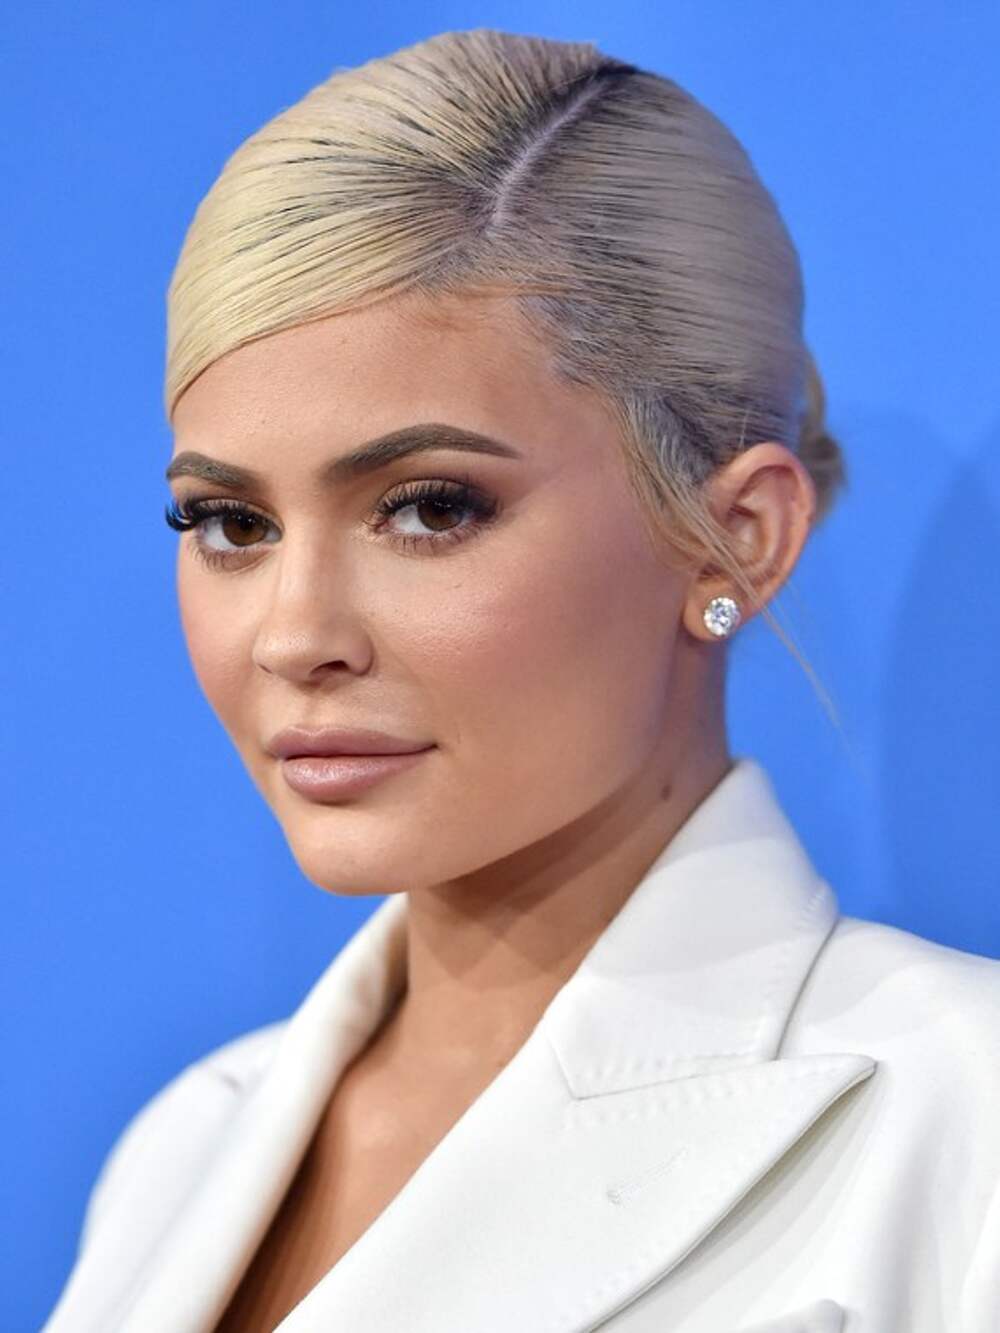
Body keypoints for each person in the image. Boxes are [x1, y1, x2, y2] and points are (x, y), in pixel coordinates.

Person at [44, 27, 999, 1333]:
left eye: (429, 507)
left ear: (734, 540)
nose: (292, 635)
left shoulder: (963, 1123)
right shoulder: (178, 1152)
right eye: (230, 522)